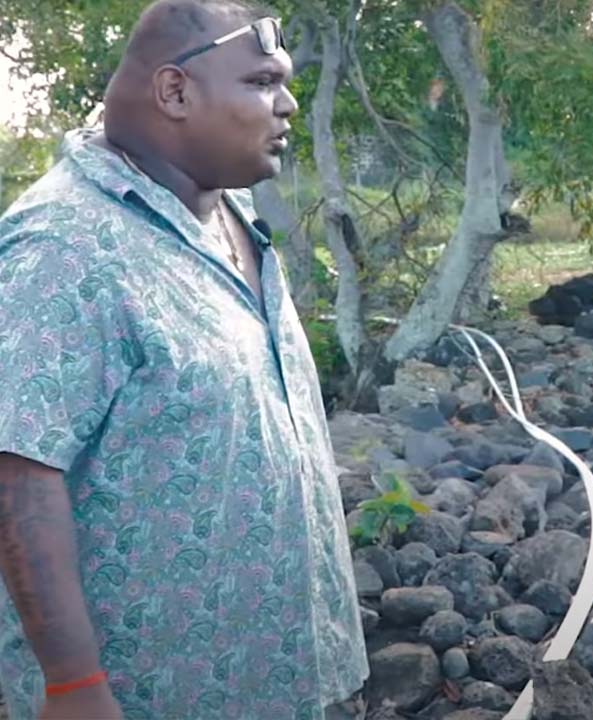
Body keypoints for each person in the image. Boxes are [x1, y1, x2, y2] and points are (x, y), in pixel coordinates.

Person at [0, 1, 368, 718]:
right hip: (151, 695)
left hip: (287, 676)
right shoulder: (63, 248)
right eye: (262, 82)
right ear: (175, 92)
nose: (287, 104)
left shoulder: (232, 214)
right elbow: (17, 472)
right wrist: (73, 685)